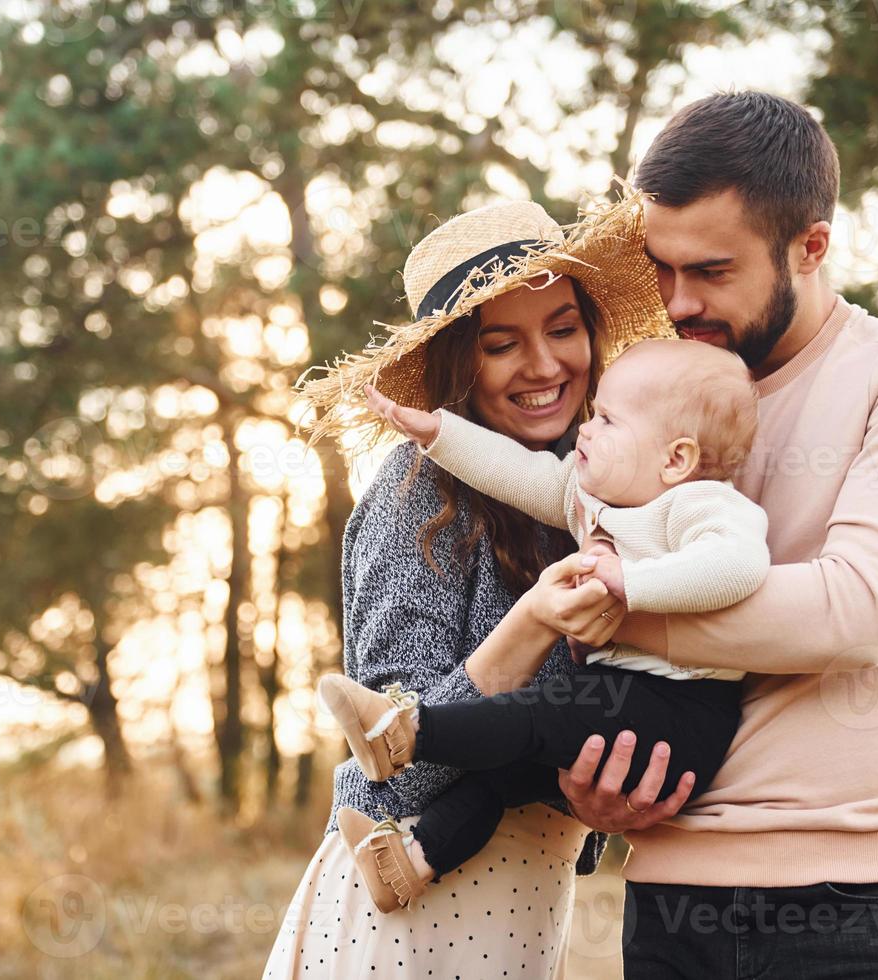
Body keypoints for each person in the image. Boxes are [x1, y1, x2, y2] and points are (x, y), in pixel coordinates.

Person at [559, 91, 878, 978]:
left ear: (812, 245)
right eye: (662, 267)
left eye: (713, 270)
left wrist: (597, 606)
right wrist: (588, 784)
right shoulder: (650, 400)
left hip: (872, 909)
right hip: (669, 900)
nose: (679, 301)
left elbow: (850, 614)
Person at [263, 195, 690, 977]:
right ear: (460, 365)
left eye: (563, 329)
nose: (544, 365)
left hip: (525, 917)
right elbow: (397, 766)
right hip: (404, 922)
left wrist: (597, 802)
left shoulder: (594, 496)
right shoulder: (419, 491)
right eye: (503, 344)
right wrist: (530, 622)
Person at [319, 337, 770, 914]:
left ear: (675, 459)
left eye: (608, 420)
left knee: (540, 711)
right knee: (496, 779)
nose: (587, 428)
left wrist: (631, 582)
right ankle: (411, 861)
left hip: (682, 709)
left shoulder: (702, 504)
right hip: (627, 702)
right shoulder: (590, 497)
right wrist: (436, 433)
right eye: (595, 412)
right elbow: (518, 472)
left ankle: (410, 734)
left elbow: (738, 567)